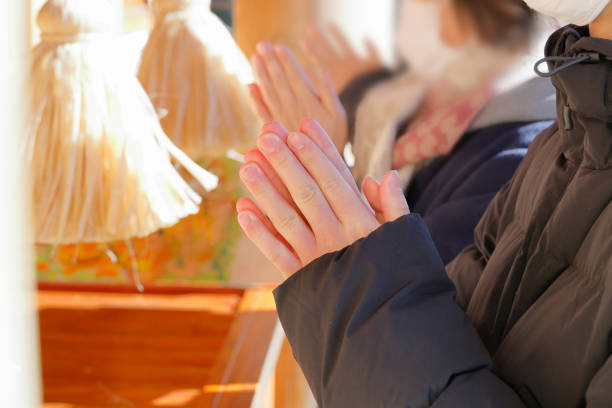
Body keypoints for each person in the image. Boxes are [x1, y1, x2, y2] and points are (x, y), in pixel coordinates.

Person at [236, 0, 612, 406]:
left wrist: (362, 288)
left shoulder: (515, 143)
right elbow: (455, 324)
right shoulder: (568, 139)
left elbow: (426, 308)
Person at [247, 0, 558, 263]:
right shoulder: (443, 98)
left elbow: (399, 300)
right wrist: (358, 94)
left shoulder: (511, 165)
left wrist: (323, 164)